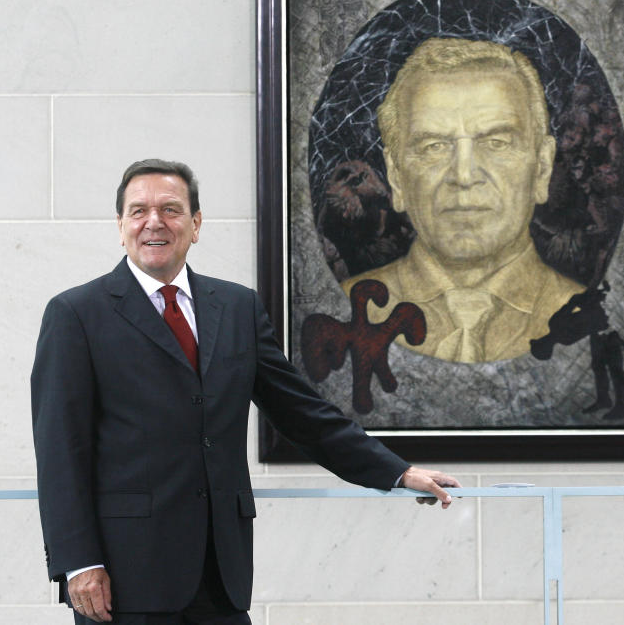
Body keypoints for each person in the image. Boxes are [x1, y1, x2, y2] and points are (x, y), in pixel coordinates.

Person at [31, 159, 460, 625]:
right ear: (120, 227)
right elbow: (60, 451)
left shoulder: (236, 308)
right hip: (123, 578)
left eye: (171, 210)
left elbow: (301, 413)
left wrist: (397, 472)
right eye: (139, 211)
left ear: (195, 225)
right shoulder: (76, 314)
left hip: (222, 576)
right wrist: (79, 561)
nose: (154, 222)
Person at [341, 38, 585, 363]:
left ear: (541, 169)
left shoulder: (589, 318)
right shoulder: (341, 312)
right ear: (397, 176)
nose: (464, 175)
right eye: (434, 146)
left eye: (496, 143)